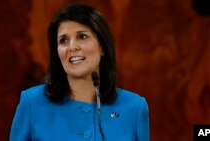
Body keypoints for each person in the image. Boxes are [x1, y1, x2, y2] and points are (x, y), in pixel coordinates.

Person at [10, 3, 149, 141]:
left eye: (82, 37)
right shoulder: (32, 103)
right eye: (63, 40)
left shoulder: (134, 108)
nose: (72, 47)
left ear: (103, 47)